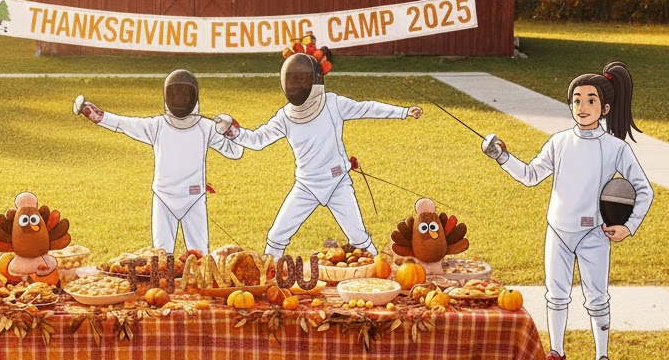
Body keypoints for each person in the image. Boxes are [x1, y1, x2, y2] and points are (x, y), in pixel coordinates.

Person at [481, 60, 653, 360]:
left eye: (590, 100)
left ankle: (602, 359)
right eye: (577, 100)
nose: (582, 107)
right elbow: (531, 175)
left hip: (594, 233)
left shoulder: (615, 148)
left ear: (604, 108)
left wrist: (628, 226)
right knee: (556, 294)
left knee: (597, 297)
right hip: (558, 230)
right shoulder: (559, 142)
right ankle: (556, 352)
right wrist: (502, 157)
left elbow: (644, 189)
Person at [215, 41, 422, 257]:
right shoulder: (285, 116)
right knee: (276, 236)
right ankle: (268, 271)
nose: (297, 85)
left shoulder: (333, 104)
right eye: (293, 80)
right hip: (306, 185)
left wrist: (403, 111)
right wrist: (233, 132)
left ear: (315, 81)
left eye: (302, 79)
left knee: (359, 237)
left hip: (337, 182)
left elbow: (366, 108)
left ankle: (378, 270)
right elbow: (258, 140)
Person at [74, 70, 243, 253]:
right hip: (164, 198)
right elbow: (124, 124)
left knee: (200, 256)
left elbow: (235, 151)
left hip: (194, 198)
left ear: (193, 96)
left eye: (184, 94)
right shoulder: (157, 126)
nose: (179, 99)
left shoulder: (206, 127)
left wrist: (232, 130)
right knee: (160, 256)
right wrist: (99, 116)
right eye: (175, 94)